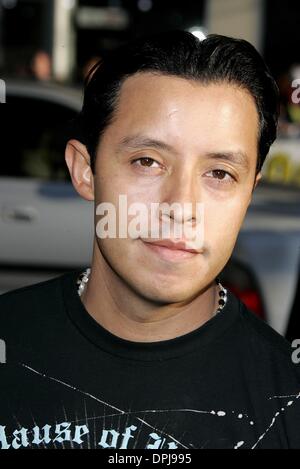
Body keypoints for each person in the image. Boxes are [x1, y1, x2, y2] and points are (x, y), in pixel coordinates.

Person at [0, 30, 299, 450]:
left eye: (219, 173)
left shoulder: (288, 399)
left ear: (249, 191)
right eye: (148, 161)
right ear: (85, 170)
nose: (180, 206)